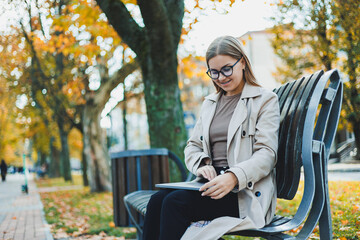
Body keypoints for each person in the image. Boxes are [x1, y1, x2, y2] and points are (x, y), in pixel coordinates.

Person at [142, 36, 280, 240]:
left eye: (226, 69)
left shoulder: (264, 100)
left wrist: (234, 177)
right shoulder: (210, 104)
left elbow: (267, 154)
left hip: (242, 193)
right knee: (157, 200)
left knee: (174, 203)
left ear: (242, 62)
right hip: (211, 185)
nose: (221, 77)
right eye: (214, 72)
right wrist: (202, 164)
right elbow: (192, 146)